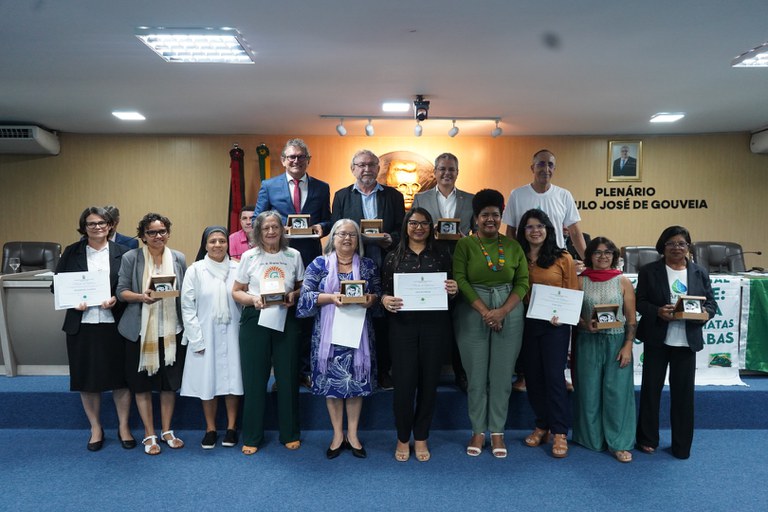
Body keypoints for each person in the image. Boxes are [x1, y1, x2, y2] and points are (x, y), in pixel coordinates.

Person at [453, 189, 529, 458]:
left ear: (501, 216)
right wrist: (486, 311)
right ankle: (477, 430)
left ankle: (497, 432)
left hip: (509, 309)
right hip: (472, 309)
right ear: (476, 217)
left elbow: (523, 282)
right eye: (484, 214)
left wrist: (502, 312)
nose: (490, 219)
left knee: (502, 376)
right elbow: (460, 279)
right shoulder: (465, 245)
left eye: (495, 215)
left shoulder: (513, 246)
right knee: (475, 375)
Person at [503, 149, 586, 392]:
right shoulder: (518, 194)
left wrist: (589, 261)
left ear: (554, 169)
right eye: (541, 164)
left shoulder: (563, 195)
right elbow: (510, 232)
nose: (545, 169)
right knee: (525, 320)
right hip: (525, 261)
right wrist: (510, 261)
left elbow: (575, 231)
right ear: (532, 168)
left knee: (558, 321)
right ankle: (523, 374)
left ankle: (558, 373)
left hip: (555, 263)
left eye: (550, 164)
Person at [297, 219, 380, 459]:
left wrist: (371, 300)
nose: (347, 238)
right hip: (328, 336)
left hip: (358, 335)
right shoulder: (319, 264)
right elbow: (305, 297)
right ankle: (336, 434)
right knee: (332, 386)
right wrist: (331, 298)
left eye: (352, 235)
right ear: (332, 238)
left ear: (358, 240)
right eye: (342, 234)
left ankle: (352, 434)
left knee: (353, 383)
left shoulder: (367, 265)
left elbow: (378, 294)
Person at [381, 208, 458, 462]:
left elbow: (451, 290)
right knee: (403, 386)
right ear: (406, 226)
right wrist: (385, 299)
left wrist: (453, 289)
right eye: (413, 223)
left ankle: (422, 436)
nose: (418, 227)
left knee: (428, 384)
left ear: (431, 227)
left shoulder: (442, 255)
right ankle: (403, 437)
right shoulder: (393, 256)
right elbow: (383, 290)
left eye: (424, 223)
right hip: (402, 328)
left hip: (434, 327)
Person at [55, 206, 133, 451]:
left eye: (102, 223)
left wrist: (117, 299)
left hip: (115, 324)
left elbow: (131, 286)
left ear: (110, 226)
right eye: (91, 223)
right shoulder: (72, 252)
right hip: (82, 325)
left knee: (121, 379)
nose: (97, 227)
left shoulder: (124, 252)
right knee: (86, 379)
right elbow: (56, 286)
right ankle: (96, 428)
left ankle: (123, 427)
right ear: (84, 227)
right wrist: (72, 301)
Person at [255, 139, 332, 388]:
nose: (296, 161)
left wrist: (322, 227)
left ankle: (305, 371)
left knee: (307, 317)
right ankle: (283, 375)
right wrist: (276, 230)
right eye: (291, 157)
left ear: (308, 160)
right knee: (281, 317)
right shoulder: (269, 186)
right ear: (283, 160)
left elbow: (329, 220)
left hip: (310, 259)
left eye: (300, 157)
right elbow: (257, 219)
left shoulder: (322, 187)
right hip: (278, 259)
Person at [635, 226, 716, 459]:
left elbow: (711, 304)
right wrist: (657, 311)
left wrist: (704, 314)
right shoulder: (649, 271)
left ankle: (682, 445)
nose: (676, 248)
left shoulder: (699, 272)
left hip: (686, 342)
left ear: (688, 247)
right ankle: (647, 439)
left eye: (681, 243)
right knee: (651, 391)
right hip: (657, 339)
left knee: (683, 396)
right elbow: (640, 302)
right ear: (663, 246)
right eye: (671, 243)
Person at [231, 211, 304, 455]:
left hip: (286, 317)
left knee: (288, 376)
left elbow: (302, 286)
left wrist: (294, 295)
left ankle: (290, 433)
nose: (271, 231)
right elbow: (236, 291)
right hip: (255, 318)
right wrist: (253, 300)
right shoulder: (249, 256)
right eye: (266, 228)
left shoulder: (294, 255)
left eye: (275, 227)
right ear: (258, 232)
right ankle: (252, 435)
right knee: (254, 379)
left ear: (282, 230)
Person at [331, 149, 405, 391]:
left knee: (384, 320)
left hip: (385, 263)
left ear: (378, 168)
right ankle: (355, 369)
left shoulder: (393, 196)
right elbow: (335, 230)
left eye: (372, 164)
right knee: (356, 315)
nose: (367, 169)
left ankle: (383, 371)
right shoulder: (342, 196)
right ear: (353, 168)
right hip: (353, 263)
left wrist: (390, 239)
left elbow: (401, 230)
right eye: (361, 165)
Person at [117, 212, 187, 455]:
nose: (158, 236)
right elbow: (121, 291)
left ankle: (166, 431)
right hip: (139, 332)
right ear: (143, 236)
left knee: (168, 386)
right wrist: (141, 297)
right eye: (152, 232)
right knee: (142, 386)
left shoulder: (178, 258)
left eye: (162, 231)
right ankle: (149, 433)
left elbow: (184, 292)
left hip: (171, 330)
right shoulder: (131, 257)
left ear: (168, 233)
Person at [518, 208, 578, 458]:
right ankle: (542, 425)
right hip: (525, 324)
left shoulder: (563, 257)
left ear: (548, 230)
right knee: (532, 377)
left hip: (555, 325)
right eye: (530, 226)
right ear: (523, 231)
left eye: (540, 226)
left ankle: (559, 432)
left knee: (554, 377)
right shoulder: (517, 255)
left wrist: (562, 315)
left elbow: (572, 292)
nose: (535, 231)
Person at [412, 152, 474, 391]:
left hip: (461, 265)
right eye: (442, 169)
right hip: (430, 265)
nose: (447, 173)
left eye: (451, 169)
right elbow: (414, 230)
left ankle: (462, 373)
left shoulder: (470, 199)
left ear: (457, 172)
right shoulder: (421, 198)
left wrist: (465, 238)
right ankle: (428, 373)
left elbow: (478, 234)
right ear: (435, 172)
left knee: (461, 322)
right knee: (431, 323)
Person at [573, 237, 637, 463]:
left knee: (616, 393)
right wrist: (584, 325)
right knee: (588, 391)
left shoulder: (623, 281)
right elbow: (573, 313)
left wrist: (628, 345)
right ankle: (592, 439)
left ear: (614, 256)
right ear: (589, 256)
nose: (603, 256)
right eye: (598, 252)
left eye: (608, 252)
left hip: (616, 342)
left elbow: (631, 319)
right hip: (587, 341)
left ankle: (619, 443)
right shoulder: (579, 281)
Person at [180, 226, 243, 449]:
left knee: (233, 382)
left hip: (234, 333)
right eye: (213, 241)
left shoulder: (238, 268)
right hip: (205, 335)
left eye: (222, 241)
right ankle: (210, 429)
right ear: (205, 245)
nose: (217, 245)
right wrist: (196, 338)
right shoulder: (195, 270)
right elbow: (187, 307)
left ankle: (232, 428)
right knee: (208, 382)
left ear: (228, 244)